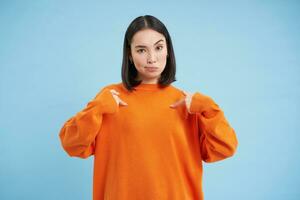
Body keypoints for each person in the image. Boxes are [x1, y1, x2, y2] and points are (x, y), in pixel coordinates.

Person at [59, 15, 238, 200]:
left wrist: (209, 109)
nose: (152, 58)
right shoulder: (110, 98)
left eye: (159, 47)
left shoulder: (187, 103)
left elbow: (225, 148)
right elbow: (72, 145)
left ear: (168, 50)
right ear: (130, 54)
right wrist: (96, 108)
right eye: (141, 50)